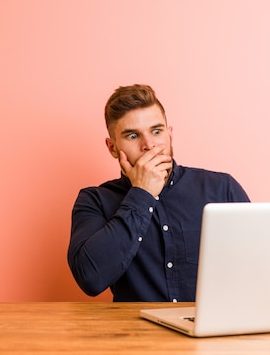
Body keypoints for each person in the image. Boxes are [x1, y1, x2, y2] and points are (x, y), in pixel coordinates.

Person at [67, 84, 250, 302]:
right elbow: (90, 279)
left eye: (156, 131)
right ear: (112, 147)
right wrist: (142, 192)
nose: (149, 145)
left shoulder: (222, 188)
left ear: (169, 134)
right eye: (133, 135)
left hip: (212, 332)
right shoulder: (94, 201)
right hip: (137, 334)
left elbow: (261, 265)